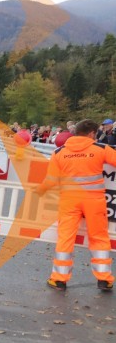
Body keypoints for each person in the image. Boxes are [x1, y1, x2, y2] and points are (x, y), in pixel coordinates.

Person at [36, 119, 116, 291]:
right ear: (92, 134)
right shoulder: (101, 149)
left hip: (69, 201)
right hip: (94, 201)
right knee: (99, 238)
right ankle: (104, 279)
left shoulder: (59, 152)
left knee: (65, 238)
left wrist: (39, 191)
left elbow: (50, 180)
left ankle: (59, 279)